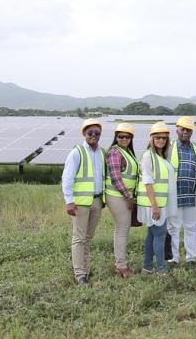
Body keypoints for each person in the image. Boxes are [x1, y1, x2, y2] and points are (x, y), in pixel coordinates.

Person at [62, 118, 107, 285]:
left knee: (88, 238)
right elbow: (67, 178)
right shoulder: (77, 152)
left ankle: (85, 269)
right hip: (80, 203)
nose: (94, 135)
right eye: (90, 132)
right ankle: (79, 274)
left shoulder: (102, 152)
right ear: (84, 134)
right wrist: (69, 201)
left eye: (97, 133)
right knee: (79, 238)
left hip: (96, 201)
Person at [137, 122, 178, 275]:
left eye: (164, 138)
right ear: (152, 139)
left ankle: (147, 267)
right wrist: (154, 205)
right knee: (160, 235)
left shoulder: (162, 156)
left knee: (152, 235)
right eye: (158, 137)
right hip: (154, 204)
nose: (161, 140)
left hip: (162, 203)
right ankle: (161, 269)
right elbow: (147, 182)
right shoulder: (148, 156)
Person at [166, 116, 196, 265]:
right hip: (174, 196)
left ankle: (191, 258)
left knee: (191, 227)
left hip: (193, 195)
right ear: (177, 129)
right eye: (183, 129)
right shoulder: (169, 148)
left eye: (189, 130)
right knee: (173, 228)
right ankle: (173, 258)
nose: (186, 132)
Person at [105, 122, 139, 278]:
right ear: (116, 137)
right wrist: (128, 197)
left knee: (122, 229)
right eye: (121, 136)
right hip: (118, 197)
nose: (124, 139)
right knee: (122, 230)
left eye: (127, 136)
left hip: (125, 197)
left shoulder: (128, 153)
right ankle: (121, 266)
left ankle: (120, 263)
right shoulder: (114, 153)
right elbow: (116, 178)